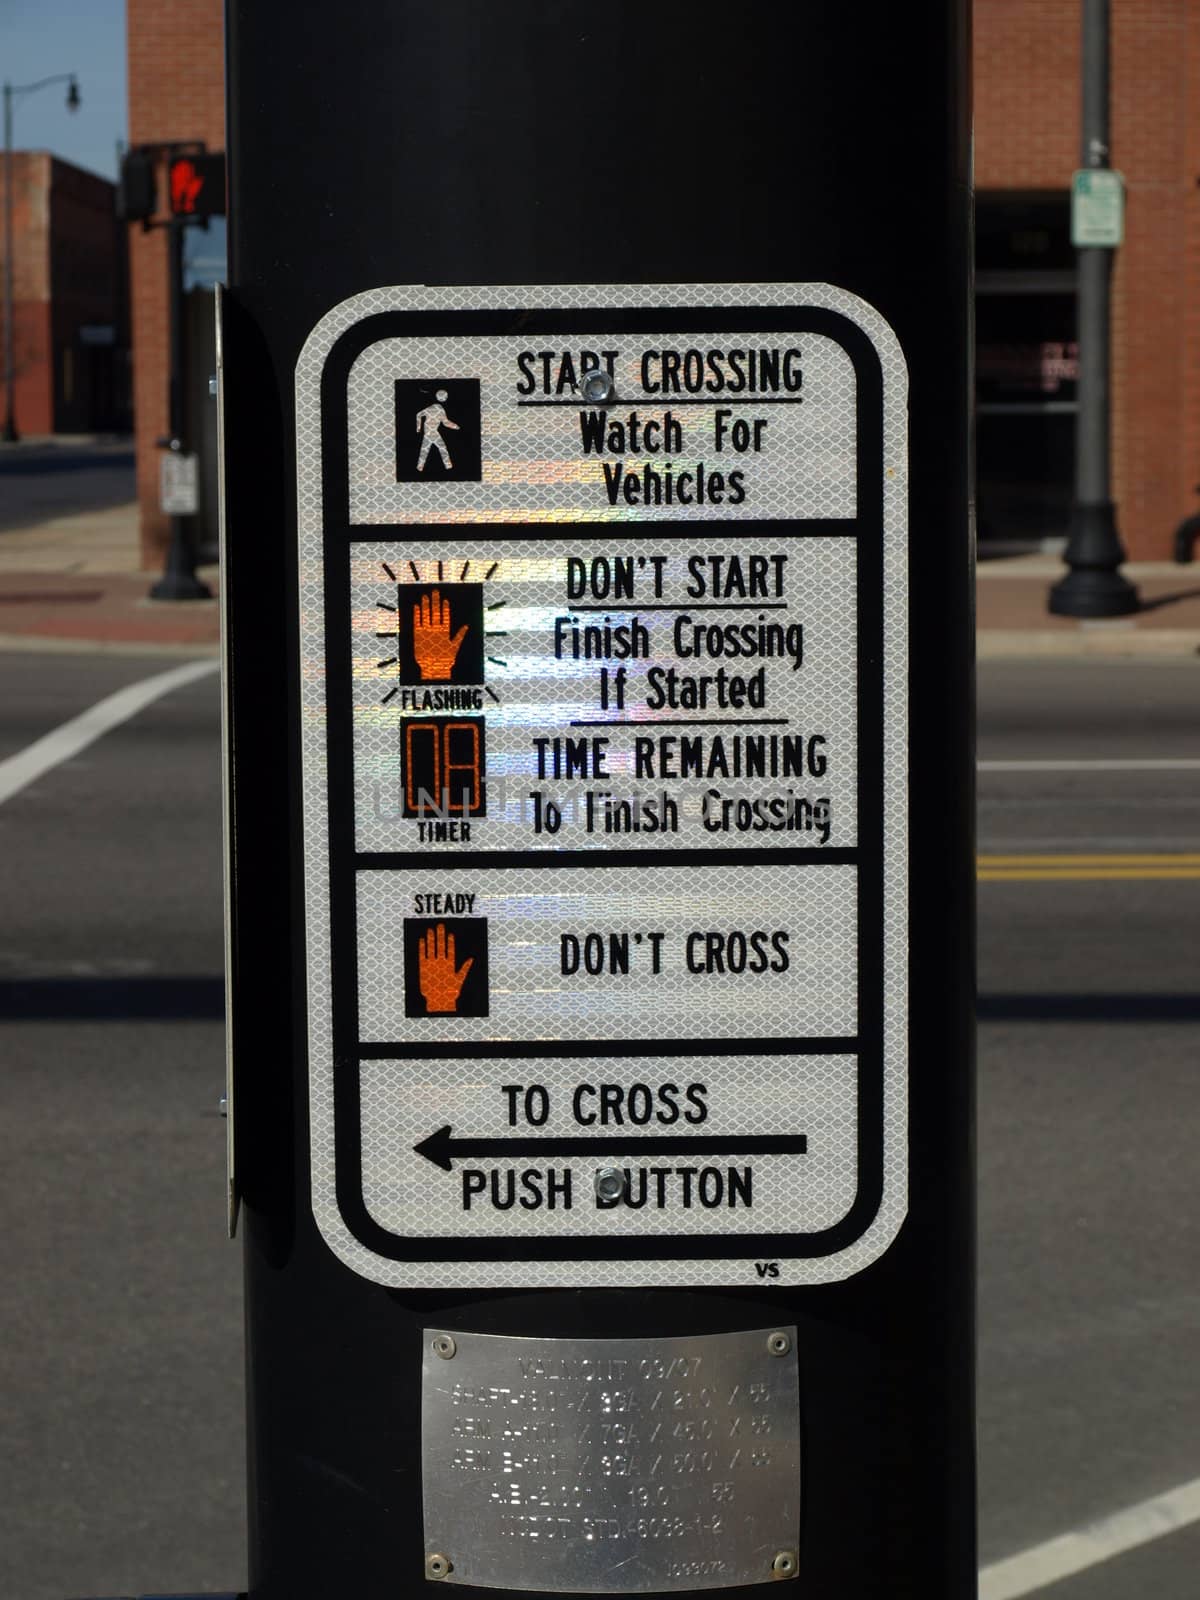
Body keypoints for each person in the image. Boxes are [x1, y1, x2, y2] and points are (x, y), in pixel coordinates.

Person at [414, 388, 460, 472]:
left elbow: (418, 414)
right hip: (432, 433)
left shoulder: (431, 408)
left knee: (425, 450)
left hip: (429, 433)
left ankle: (420, 467)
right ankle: (448, 465)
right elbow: (446, 423)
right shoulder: (440, 410)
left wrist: (418, 427)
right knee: (441, 448)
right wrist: (455, 426)